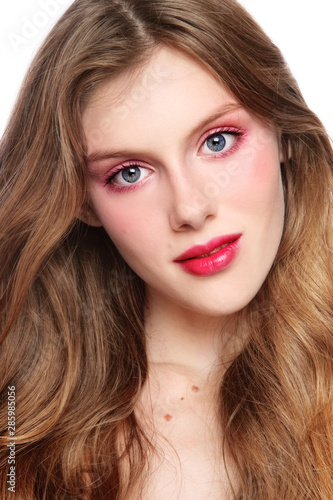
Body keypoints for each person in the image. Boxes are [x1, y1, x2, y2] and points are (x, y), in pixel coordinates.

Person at [1, 0, 333, 498]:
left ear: (282, 129)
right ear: (83, 202)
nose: (191, 208)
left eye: (219, 141)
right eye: (129, 173)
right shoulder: (22, 427)